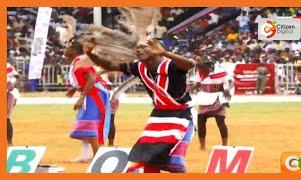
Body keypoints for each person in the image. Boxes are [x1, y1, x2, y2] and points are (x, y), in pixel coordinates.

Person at [86, 38, 196, 173]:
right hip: (159, 116)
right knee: (148, 160)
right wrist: (91, 54)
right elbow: (110, 65)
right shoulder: (138, 67)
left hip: (182, 116)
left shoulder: (170, 65)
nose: (139, 50)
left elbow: (190, 65)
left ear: (156, 48)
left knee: (174, 163)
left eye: (144, 47)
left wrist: (165, 53)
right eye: (138, 48)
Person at [64, 38, 112, 162]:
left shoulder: (80, 62)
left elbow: (91, 79)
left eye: (68, 47)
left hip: (94, 94)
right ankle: (85, 155)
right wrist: (75, 88)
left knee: (89, 124)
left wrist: (81, 97)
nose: (65, 49)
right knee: (85, 124)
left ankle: (97, 157)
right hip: (91, 92)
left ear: (74, 50)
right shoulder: (78, 61)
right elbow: (87, 79)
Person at [189, 61, 232, 149]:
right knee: (200, 122)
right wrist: (188, 89)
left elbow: (230, 83)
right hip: (204, 98)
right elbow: (197, 84)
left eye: (204, 69)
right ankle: (202, 146)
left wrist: (227, 89)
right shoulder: (200, 73)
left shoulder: (221, 72)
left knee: (221, 122)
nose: (202, 71)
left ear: (211, 67)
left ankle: (224, 146)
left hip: (218, 99)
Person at [7, 63, 20, 145]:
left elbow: (16, 76)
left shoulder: (7, 66)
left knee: (6, 118)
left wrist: (11, 85)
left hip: (7, 94)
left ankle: (9, 142)